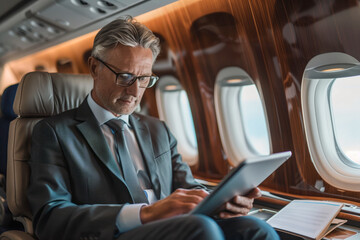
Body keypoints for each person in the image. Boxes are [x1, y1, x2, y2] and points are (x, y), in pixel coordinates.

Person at [27, 16, 280, 240]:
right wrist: (146, 213)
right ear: (94, 68)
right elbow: (49, 217)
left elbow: (189, 189)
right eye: (125, 76)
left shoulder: (157, 129)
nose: (136, 91)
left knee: (257, 230)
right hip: (116, 233)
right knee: (201, 230)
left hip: (178, 228)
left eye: (144, 78)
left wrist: (222, 204)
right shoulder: (54, 132)